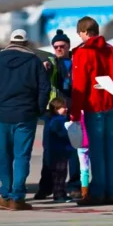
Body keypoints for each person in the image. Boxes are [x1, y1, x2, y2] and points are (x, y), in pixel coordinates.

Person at [0, 29, 50, 210]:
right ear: (26, 44)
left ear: (10, 42)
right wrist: (38, 109)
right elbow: (45, 88)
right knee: (21, 157)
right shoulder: (34, 61)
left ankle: (5, 194)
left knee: (4, 156)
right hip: (25, 115)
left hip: (3, 115)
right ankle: (17, 197)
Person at [70, 17, 113, 206]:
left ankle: (98, 191)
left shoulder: (83, 53)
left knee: (97, 150)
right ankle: (110, 191)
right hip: (112, 104)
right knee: (109, 148)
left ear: (83, 32)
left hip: (95, 106)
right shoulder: (111, 50)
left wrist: (75, 113)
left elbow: (80, 85)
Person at [34, 29, 81, 200]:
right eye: (56, 47)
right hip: (53, 113)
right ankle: (46, 187)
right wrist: (45, 66)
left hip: (71, 112)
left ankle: (74, 186)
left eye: (62, 46)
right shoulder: (51, 62)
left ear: (68, 46)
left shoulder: (75, 62)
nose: (59, 49)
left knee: (74, 152)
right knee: (49, 153)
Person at [44, 97, 74, 203]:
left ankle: (60, 193)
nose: (65, 109)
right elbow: (61, 134)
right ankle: (59, 194)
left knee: (59, 174)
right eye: (62, 107)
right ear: (56, 109)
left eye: (66, 107)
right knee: (59, 174)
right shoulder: (58, 121)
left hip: (59, 151)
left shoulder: (54, 120)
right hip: (59, 152)